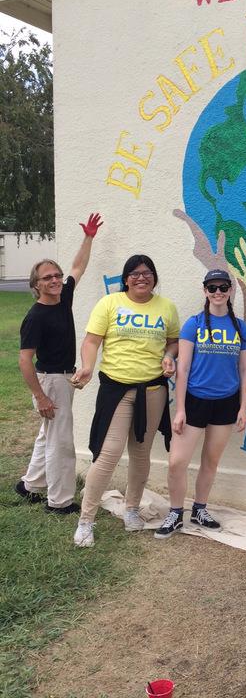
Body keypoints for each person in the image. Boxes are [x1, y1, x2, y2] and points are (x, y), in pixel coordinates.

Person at [72, 254, 179, 547]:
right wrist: (87, 366)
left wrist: (170, 356)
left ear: (154, 277)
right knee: (108, 454)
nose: (141, 277)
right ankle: (85, 521)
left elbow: (173, 340)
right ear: (126, 278)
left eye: (146, 273)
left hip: (153, 390)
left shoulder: (166, 307)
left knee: (141, 453)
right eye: (134, 273)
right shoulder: (110, 304)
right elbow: (92, 340)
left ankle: (132, 510)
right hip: (116, 389)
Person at [155, 269, 246, 539]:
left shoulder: (240, 327)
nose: (218, 292)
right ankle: (175, 513)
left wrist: (243, 407)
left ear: (231, 291)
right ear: (205, 291)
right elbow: (182, 369)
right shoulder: (193, 324)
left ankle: (199, 509)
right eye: (212, 287)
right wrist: (181, 409)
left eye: (223, 287)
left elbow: (245, 368)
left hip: (226, 402)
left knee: (211, 460)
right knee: (177, 461)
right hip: (196, 400)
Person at [16, 213, 103, 514]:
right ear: (36, 285)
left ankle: (30, 485)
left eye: (56, 276)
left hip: (64, 378)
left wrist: (88, 237)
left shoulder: (63, 296)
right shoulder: (35, 317)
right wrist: (40, 396)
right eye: (47, 278)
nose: (55, 280)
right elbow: (25, 360)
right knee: (61, 442)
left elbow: (78, 266)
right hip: (50, 382)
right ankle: (60, 501)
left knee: (48, 434)